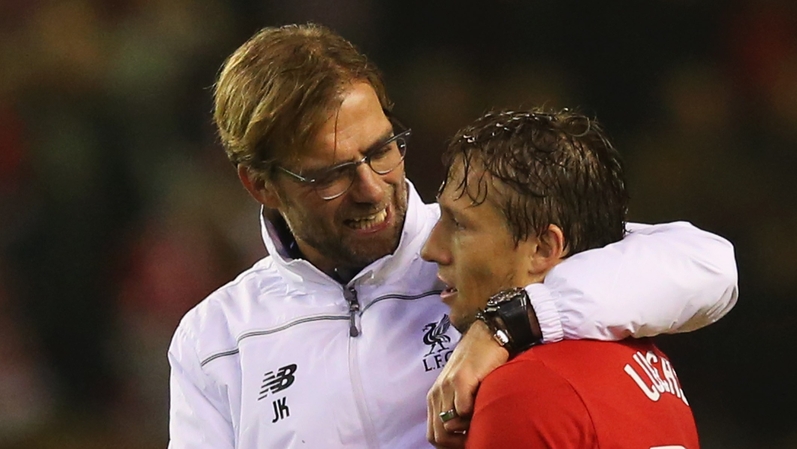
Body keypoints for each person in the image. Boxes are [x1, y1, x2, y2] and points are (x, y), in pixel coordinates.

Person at [168, 23, 737, 448]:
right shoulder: (213, 341)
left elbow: (710, 267)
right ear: (260, 185)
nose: (372, 188)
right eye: (331, 174)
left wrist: (509, 321)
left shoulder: (484, 250)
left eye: (381, 149)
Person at [422, 108, 702, 448]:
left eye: (459, 225)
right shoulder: (653, 365)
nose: (431, 249)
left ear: (542, 248)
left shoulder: (522, 392)